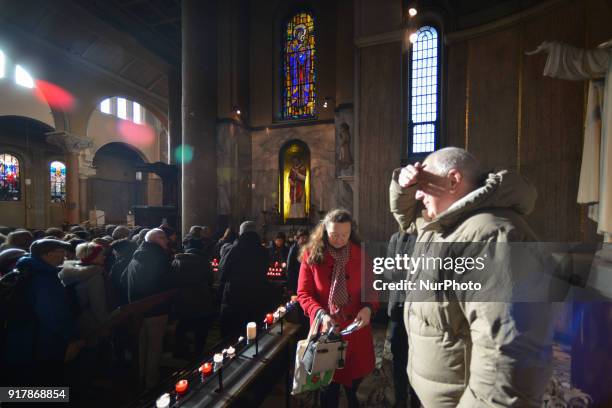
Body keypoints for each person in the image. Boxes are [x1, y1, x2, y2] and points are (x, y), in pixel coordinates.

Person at [390, 147, 555, 407]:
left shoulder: (488, 237)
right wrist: (403, 185)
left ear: (453, 180)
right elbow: (407, 218)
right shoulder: (445, 226)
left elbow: (506, 360)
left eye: (424, 185)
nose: (418, 194)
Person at [297, 209, 378, 408]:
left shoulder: (362, 254)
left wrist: (368, 308)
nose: (340, 239)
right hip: (326, 334)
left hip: (355, 334)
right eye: (334, 234)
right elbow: (304, 294)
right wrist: (320, 314)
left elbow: (372, 290)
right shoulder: (312, 255)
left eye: (345, 234)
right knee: (328, 391)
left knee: (354, 392)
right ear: (325, 231)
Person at [1, 239, 84, 385]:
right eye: (61, 252)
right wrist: (71, 339)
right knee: (44, 385)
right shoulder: (44, 280)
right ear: (47, 254)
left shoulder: (27, 270)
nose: (65, 256)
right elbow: (52, 315)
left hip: (22, 342)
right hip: (42, 343)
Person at [125, 228, 172, 389]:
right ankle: (152, 384)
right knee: (154, 349)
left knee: (141, 347)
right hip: (156, 310)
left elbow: (127, 281)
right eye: (164, 238)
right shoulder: (160, 258)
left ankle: (140, 379)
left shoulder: (135, 256)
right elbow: (167, 284)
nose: (167, 241)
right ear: (157, 239)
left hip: (138, 310)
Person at [218, 221, 274, 338]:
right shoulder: (263, 252)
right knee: (253, 333)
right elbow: (264, 272)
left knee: (232, 334)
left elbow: (222, 272)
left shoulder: (233, 250)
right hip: (256, 297)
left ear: (241, 232)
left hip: (234, 298)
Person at [385, 230, 420, 408]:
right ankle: (400, 398)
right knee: (398, 356)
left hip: (418, 310)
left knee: (419, 358)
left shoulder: (426, 234)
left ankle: (415, 400)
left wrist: (407, 270)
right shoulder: (395, 237)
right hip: (398, 308)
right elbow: (386, 272)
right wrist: (396, 270)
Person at [171, 237, 214, 357]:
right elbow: (211, 279)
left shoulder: (177, 261)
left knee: (182, 325)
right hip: (202, 298)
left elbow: (172, 279)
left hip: (182, 299)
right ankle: (198, 352)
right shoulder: (204, 262)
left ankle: (179, 351)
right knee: (201, 326)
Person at [59, 242, 110, 339]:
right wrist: (105, 325)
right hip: (90, 321)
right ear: (92, 257)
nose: (104, 257)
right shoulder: (95, 276)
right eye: (101, 255)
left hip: (74, 318)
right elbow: (98, 305)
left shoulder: (70, 271)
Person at [286, 228, 309, 293]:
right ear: (298, 238)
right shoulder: (294, 249)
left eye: (306, 238)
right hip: (296, 278)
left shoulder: (309, 248)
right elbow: (289, 267)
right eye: (302, 238)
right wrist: (289, 284)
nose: (304, 240)